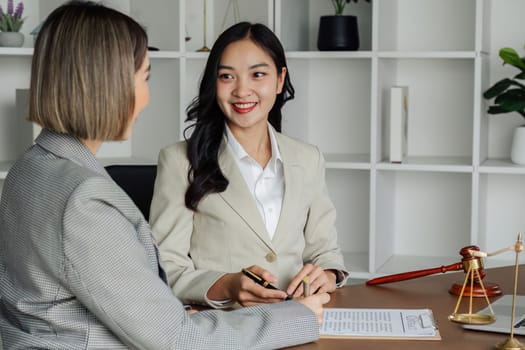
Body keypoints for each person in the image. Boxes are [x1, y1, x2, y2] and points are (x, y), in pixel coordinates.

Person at [0, 2, 330, 349]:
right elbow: (176, 339)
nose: (147, 96)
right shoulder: (84, 201)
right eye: (145, 77)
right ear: (107, 84)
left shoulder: (28, 170)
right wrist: (300, 317)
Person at [149, 22, 349, 309]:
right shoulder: (179, 161)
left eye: (258, 74)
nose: (242, 90)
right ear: (213, 83)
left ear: (280, 80)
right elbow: (165, 268)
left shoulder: (308, 158)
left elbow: (325, 252)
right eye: (227, 76)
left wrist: (328, 274)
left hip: (300, 320)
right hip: (227, 329)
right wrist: (227, 285)